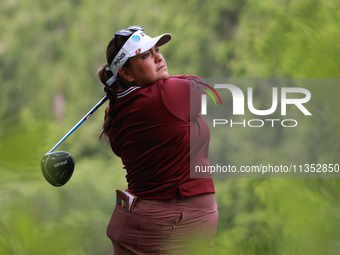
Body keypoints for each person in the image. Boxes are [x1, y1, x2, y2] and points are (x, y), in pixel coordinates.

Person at [97, 25, 218, 255]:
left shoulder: (115, 110)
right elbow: (205, 89)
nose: (159, 57)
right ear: (126, 73)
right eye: (145, 55)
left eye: (156, 50)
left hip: (150, 222)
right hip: (167, 227)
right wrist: (162, 81)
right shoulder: (165, 96)